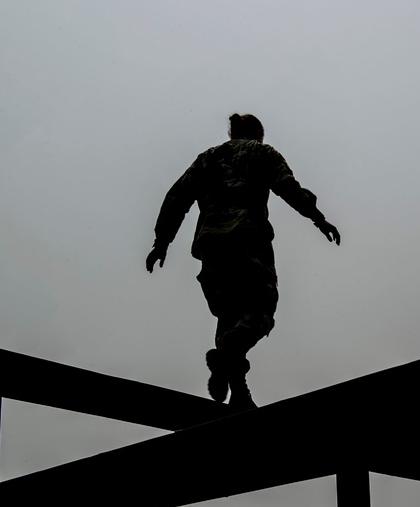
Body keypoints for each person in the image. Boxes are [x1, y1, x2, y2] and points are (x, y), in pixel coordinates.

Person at [146, 113, 340, 410]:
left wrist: (162, 242)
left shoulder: (207, 159)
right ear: (258, 134)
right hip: (247, 242)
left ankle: (239, 394)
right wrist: (319, 219)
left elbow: (177, 198)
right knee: (261, 310)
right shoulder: (261, 153)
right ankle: (226, 356)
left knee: (228, 315)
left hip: (212, 247)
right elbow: (288, 188)